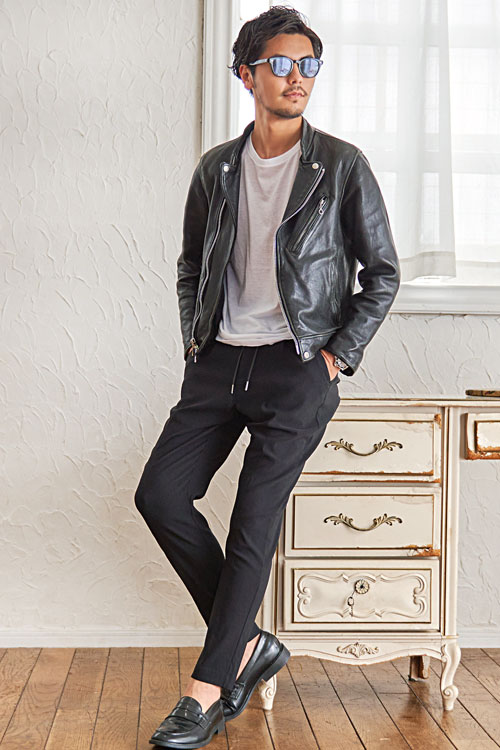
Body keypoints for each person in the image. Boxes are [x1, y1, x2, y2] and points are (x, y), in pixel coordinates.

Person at [135, 5, 401, 748]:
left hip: (298, 364)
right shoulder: (217, 169)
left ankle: (205, 691)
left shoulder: (340, 165)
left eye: (308, 65)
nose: (296, 78)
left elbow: (382, 273)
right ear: (246, 74)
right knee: (160, 496)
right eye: (280, 64)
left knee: (253, 524)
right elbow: (192, 265)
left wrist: (337, 355)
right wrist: (196, 341)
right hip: (219, 361)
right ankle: (249, 644)